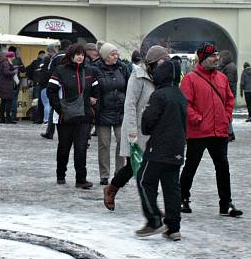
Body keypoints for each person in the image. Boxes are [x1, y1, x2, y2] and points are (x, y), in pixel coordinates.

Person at [179, 42, 242, 217]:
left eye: (217, 55)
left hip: (219, 131)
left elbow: (230, 100)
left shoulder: (221, 78)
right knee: (191, 166)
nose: (216, 58)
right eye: (213, 56)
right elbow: (185, 104)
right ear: (203, 59)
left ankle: (226, 203)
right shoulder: (190, 79)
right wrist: (197, 119)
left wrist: (226, 117)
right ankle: (182, 198)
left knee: (223, 168)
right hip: (198, 132)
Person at [104, 45, 168, 211]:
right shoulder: (138, 75)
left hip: (154, 130)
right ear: (153, 62)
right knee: (134, 167)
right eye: (162, 62)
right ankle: (112, 189)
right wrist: (132, 133)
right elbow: (130, 105)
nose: (164, 66)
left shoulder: (161, 78)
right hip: (138, 129)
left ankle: (152, 205)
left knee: (153, 168)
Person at [135, 60, 186, 240]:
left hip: (158, 148)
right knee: (171, 186)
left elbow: (147, 124)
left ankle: (154, 220)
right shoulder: (180, 94)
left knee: (144, 180)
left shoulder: (159, 95)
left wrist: (144, 119)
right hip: (177, 147)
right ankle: (173, 228)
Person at [46, 43, 99, 189]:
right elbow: (51, 91)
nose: (80, 56)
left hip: (84, 116)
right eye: (77, 54)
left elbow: (96, 90)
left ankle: (81, 179)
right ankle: (60, 174)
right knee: (64, 147)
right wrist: (60, 109)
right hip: (66, 117)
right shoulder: (60, 70)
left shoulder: (90, 71)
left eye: (82, 54)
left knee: (81, 148)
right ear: (71, 55)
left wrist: (93, 103)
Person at [95, 43, 129, 185]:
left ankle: (119, 172)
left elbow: (128, 87)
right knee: (104, 143)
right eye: (112, 54)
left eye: (116, 54)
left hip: (120, 111)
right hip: (103, 111)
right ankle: (104, 174)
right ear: (105, 56)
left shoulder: (123, 68)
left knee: (122, 142)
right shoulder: (96, 69)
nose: (116, 56)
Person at [41, 39, 72, 140]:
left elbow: (49, 71)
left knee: (54, 108)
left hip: (57, 85)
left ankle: (50, 132)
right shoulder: (72, 56)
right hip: (72, 86)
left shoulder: (55, 57)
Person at [0, 50, 18, 124]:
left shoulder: (1, 62)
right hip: (7, 85)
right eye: (13, 56)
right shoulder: (5, 63)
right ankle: (8, 119)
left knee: (3, 102)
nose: (14, 58)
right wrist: (14, 72)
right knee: (9, 102)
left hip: (2, 85)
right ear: (10, 56)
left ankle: (2, 118)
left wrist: (12, 65)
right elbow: (6, 72)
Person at [26, 50, 46, 123]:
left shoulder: (35, 62)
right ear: (40, 55)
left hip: (37, 84)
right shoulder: (45, 63)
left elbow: (27, 69)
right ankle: (41, 117)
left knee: (36, 101)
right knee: (42, 102)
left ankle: (35, 118)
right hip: (42, 85)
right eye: (43, 55)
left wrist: (31, 78)